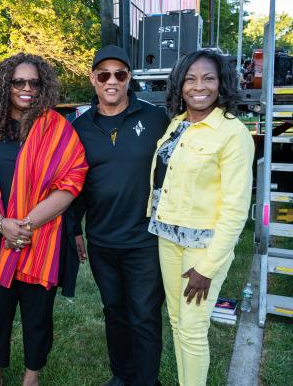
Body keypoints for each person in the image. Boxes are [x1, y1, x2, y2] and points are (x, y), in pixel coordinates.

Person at [0, 53, 88, 386]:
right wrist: (3, 224)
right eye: (19, 81)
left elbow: (72, 181)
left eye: (34, 82)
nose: (26, 88)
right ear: (6, 84)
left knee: (37, 313)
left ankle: (32, 377)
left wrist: (24, 225)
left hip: (40, 236)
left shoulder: (57, 128)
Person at [147, 50, 254, 386]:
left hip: (203, 247)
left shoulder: (232, 133)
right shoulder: (178, 124)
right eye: (191, 78)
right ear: (179, 85)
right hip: (168, 238)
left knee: (192, 330)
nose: (199, 86)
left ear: (221, 83)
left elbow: (236, 209)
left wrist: (207, 268)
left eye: (208, 78)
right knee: (178, 324)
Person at [71, 45, 169, 386]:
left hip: (145, 239)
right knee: (114, 312)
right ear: (93, 80)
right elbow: (76, 183)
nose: (111, 81)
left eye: (120, 74)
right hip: (102, 240)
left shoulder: (156, 118)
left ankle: (146, 380)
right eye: (103, 74)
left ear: (129, 79)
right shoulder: (79, 127)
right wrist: (75, 230)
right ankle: (122, 375)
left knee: (143, 315)